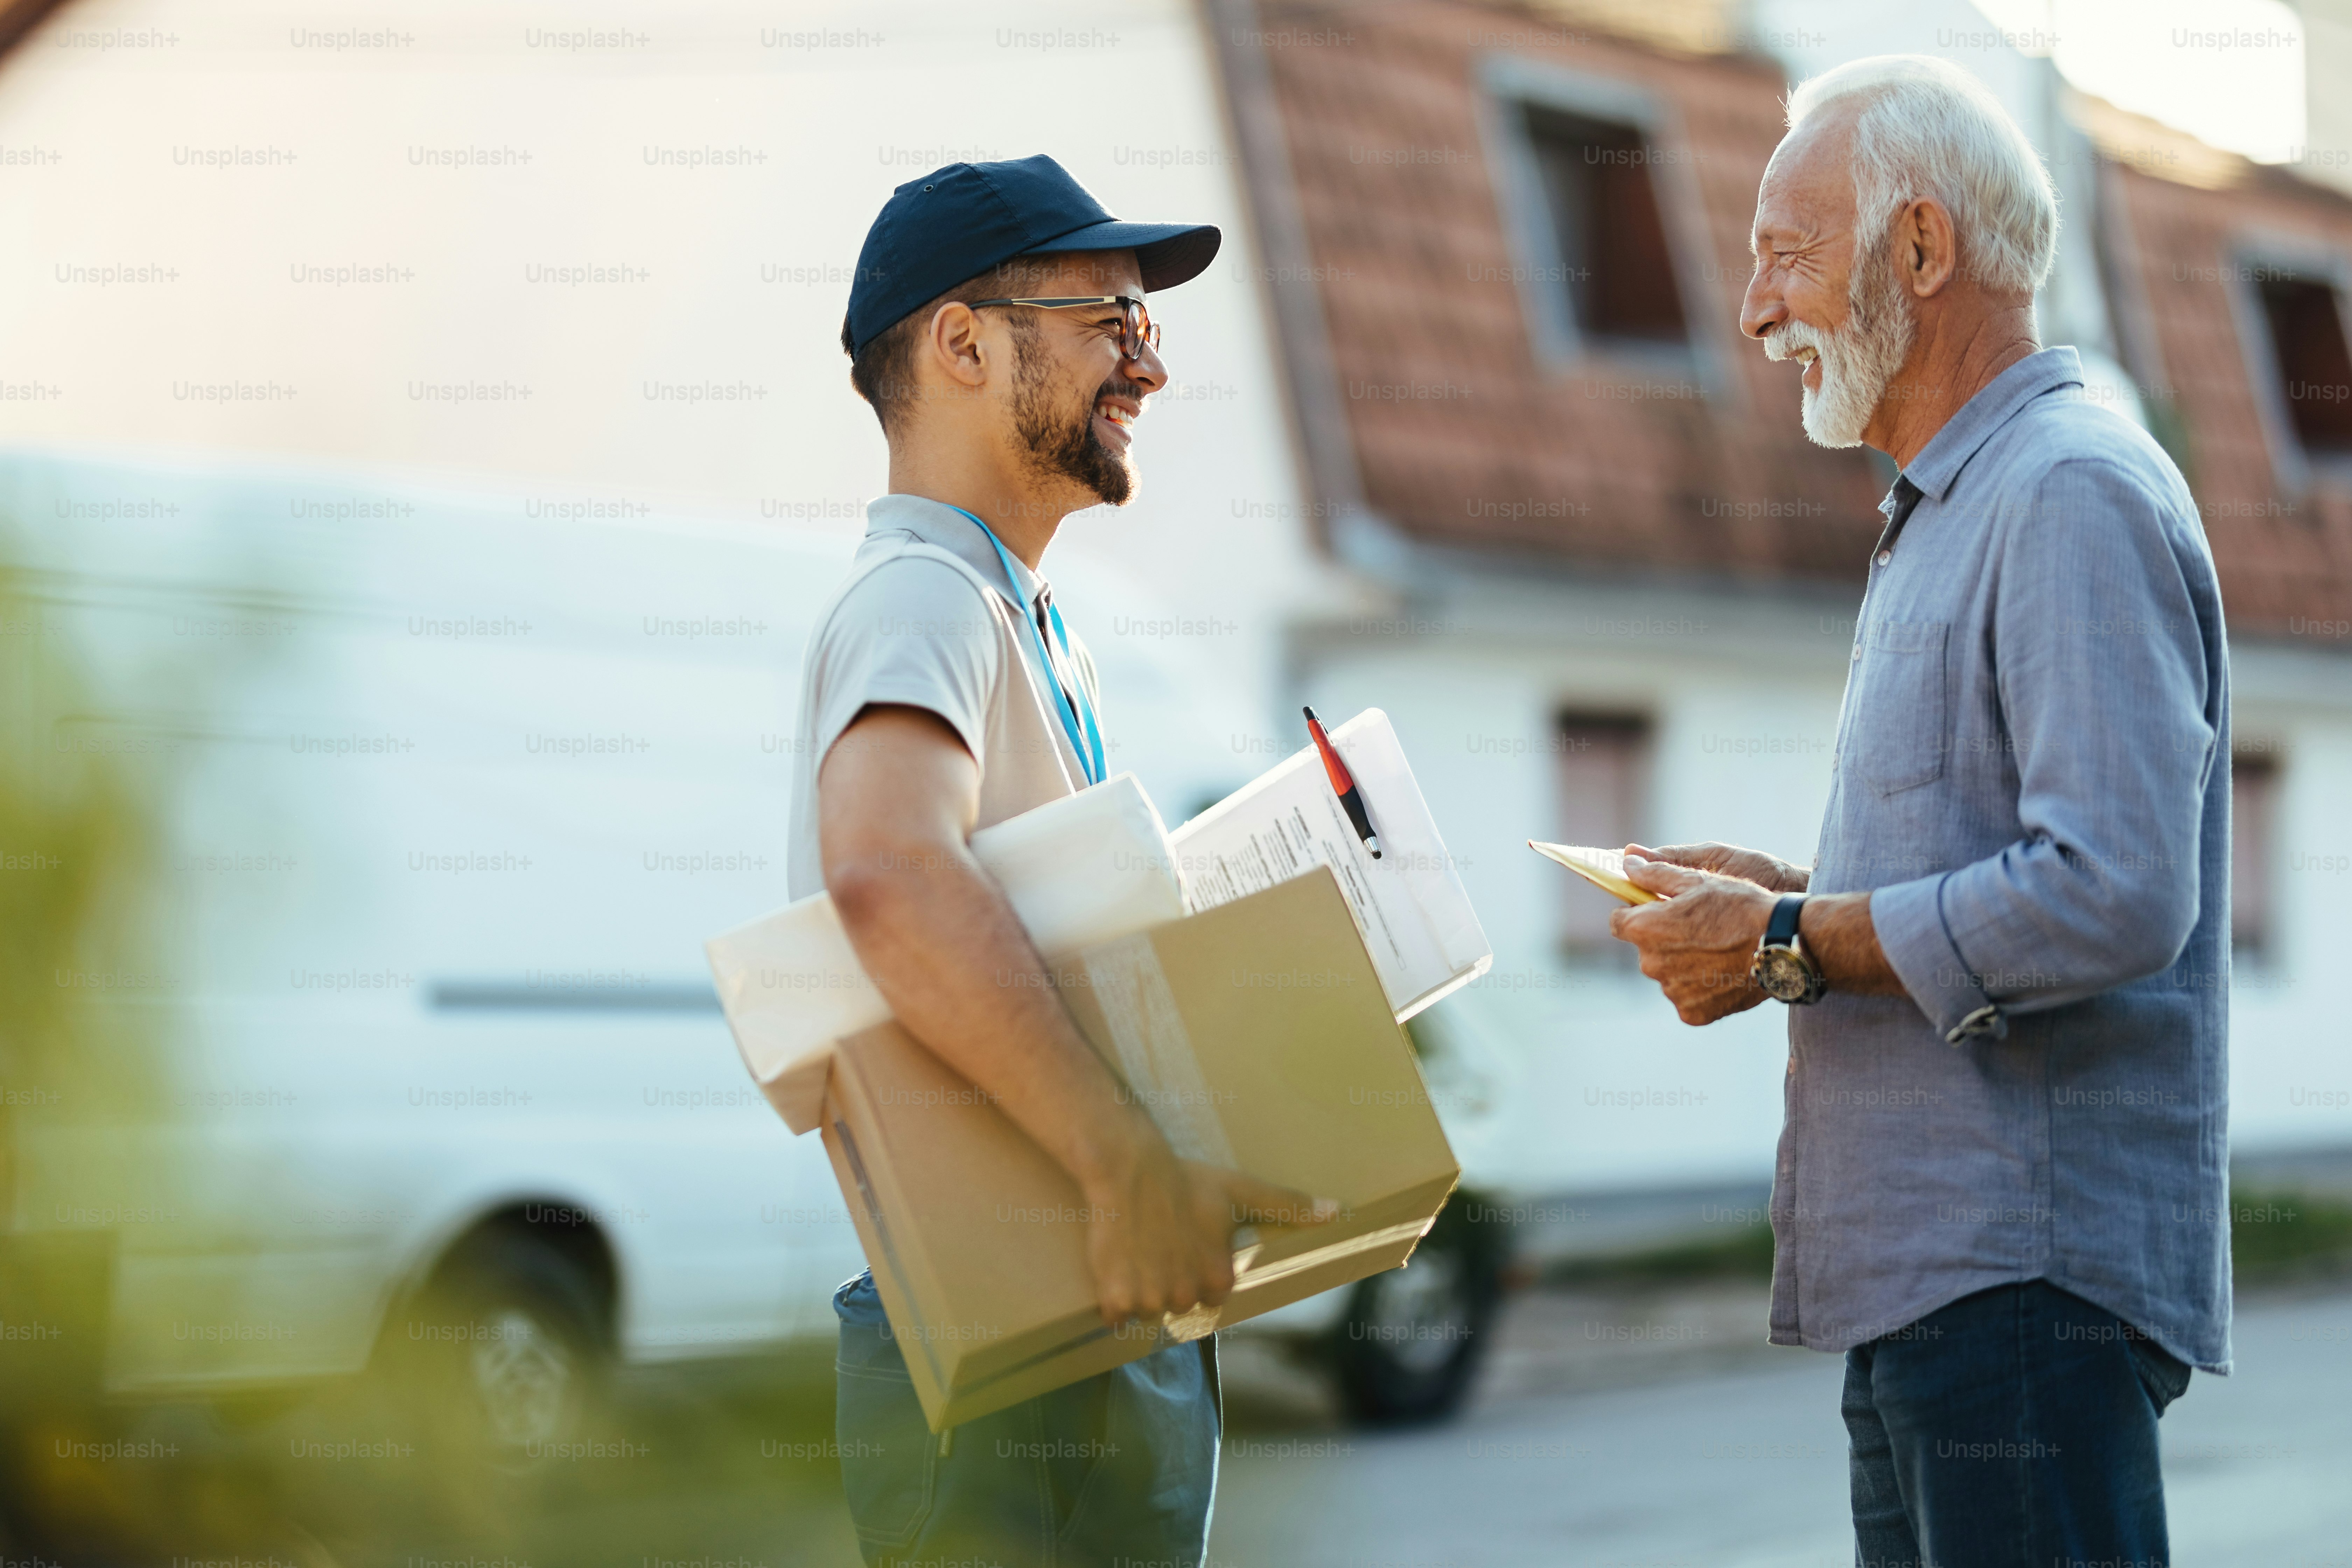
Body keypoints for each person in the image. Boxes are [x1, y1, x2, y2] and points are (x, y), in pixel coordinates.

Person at [1606, 56, 2228, 1568]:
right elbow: (2003, 873)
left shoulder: (2065, 491)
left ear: (1923, 250)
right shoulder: (1966, 502)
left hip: (2019, 1284)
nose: (1756, 309)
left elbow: (2116, 889)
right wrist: (1793, 901)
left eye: (1784, 252)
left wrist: (1790, 939)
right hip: (1944, 1288)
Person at [791, 155, 1320, 1567]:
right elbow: (890, 874)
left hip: (1081, 1350)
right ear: (961, 343)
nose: (1148, 365)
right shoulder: (925, 598)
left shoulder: (1020, 615)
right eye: (1111, 319)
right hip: (1012, 1386)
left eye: (1149, 327)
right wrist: (1120, 1158)